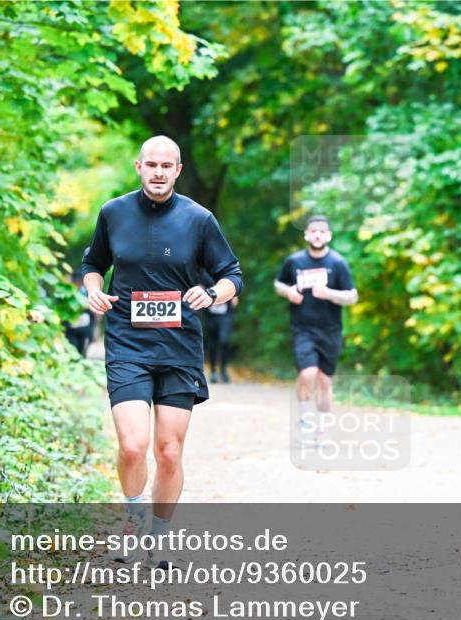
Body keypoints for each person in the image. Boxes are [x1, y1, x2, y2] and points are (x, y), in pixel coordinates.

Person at [81, 135, 242, 566]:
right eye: (150, 165)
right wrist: (93, 291)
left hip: (179, 346)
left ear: (177, 169)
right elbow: (92, 265)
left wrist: (211, 294)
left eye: (165, 166)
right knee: (133, 445)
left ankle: (162, 536)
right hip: (127, 341)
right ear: (138, 167)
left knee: (169, 451)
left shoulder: (199, 219)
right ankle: (134, 525)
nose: (157, 172)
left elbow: (231, 274)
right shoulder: (113, 213)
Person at [273, 214, 357, 438]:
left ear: (328, 235)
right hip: (303, 328)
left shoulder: (338, 263)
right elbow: (279, 284)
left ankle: (322, 429)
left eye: (322, 232)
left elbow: (352, 296)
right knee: (308, 373)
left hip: (330, 330)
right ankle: (303, 417)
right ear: (306, 235)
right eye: (313, 231)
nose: (317, 235)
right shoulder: (294, 261)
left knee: (325, 380)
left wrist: (328, 294)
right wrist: (288, 291)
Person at [198, 269, 238, 383]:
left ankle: (224, 370)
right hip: (210, 315)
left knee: (224, 341)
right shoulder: (204, 274)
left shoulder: (227, 271)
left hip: (225, 315)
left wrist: (233, 297)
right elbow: (200, 289)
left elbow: (235, 290)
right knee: (212, 343)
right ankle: (213, 371)